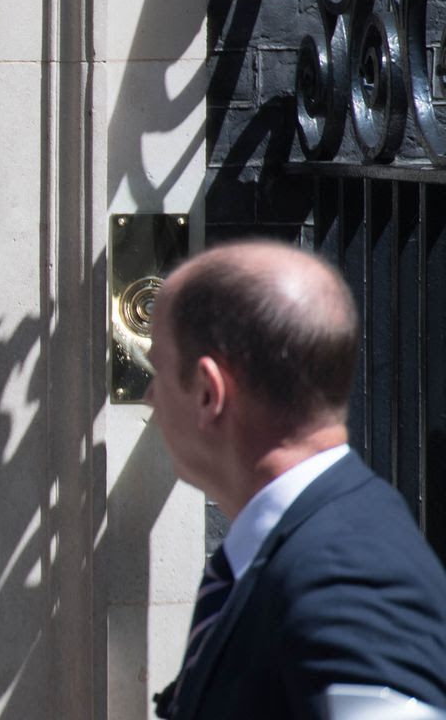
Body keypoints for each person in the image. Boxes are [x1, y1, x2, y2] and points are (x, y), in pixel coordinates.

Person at [147, 240, 446, 718]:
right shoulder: (300, 545)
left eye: (157, 370)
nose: (149, 396)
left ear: (208, 392)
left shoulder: (348, 574)